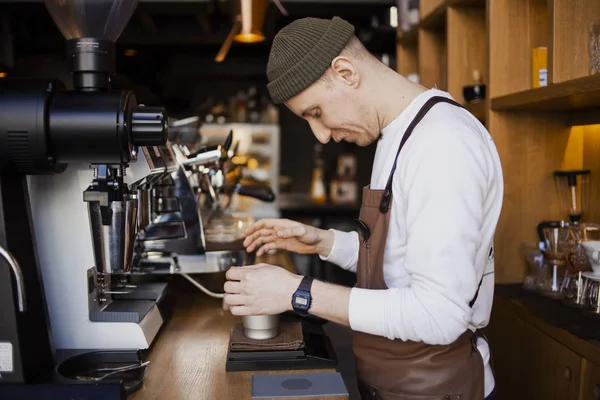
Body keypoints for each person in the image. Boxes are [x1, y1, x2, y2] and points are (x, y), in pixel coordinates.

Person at [223, 16, 503, 400]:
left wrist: (298, 291)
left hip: (438, 390)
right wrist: (324, 243)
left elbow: (440, 313)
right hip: (393, 384)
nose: (320, 134)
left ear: (345, 72)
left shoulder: (442, 144)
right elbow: (401, 263)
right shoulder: (397, 135)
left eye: (315, 112)